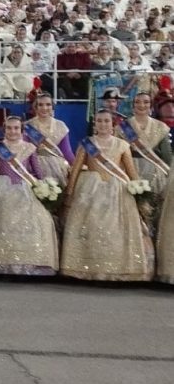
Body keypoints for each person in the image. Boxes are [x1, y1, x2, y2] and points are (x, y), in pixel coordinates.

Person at [60, 110, 153, 281]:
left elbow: (131, 172)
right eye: (99, 121)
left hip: (117, 192)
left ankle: (117, 269)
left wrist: (140, 193)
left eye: (106, 121)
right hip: (90, 192)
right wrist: (69, 194)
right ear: (94, 124)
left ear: (113, 125)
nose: (103, 124)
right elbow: (75, 171)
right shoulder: (86, 144)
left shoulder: (122, 145)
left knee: (115, 229)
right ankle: (86, 268)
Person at [0, 116, 59, 277]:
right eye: (9, 128)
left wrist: (43, 187)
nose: (12, 131)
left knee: (37, 221)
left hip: (26, 190)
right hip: (1, 191)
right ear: (4, 130)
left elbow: (37, 171)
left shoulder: (30, 148)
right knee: (2, 222)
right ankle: (2, 263)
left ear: (21, 131)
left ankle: (29, 263)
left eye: (16, 128)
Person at [118, 92, 172, 208]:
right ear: (133, 105)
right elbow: (117, 154)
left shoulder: (161, 127)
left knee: (154, 207)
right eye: (137, 102)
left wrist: (169, 174)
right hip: (130, 170)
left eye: (146, 102)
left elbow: (167, 155)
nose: (141, 105)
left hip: (155, 173)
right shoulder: (122, 127)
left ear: (151, 106)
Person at [24, 93, 74, 184]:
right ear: (35, 107)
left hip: (57, 167)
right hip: (34, 166)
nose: (44, 108)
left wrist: (75, 166)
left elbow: (67, 151)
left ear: (52, 107)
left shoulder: (60, 125)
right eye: (40, 105)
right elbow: (24, 151)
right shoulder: (27, 126)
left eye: (48, 104)